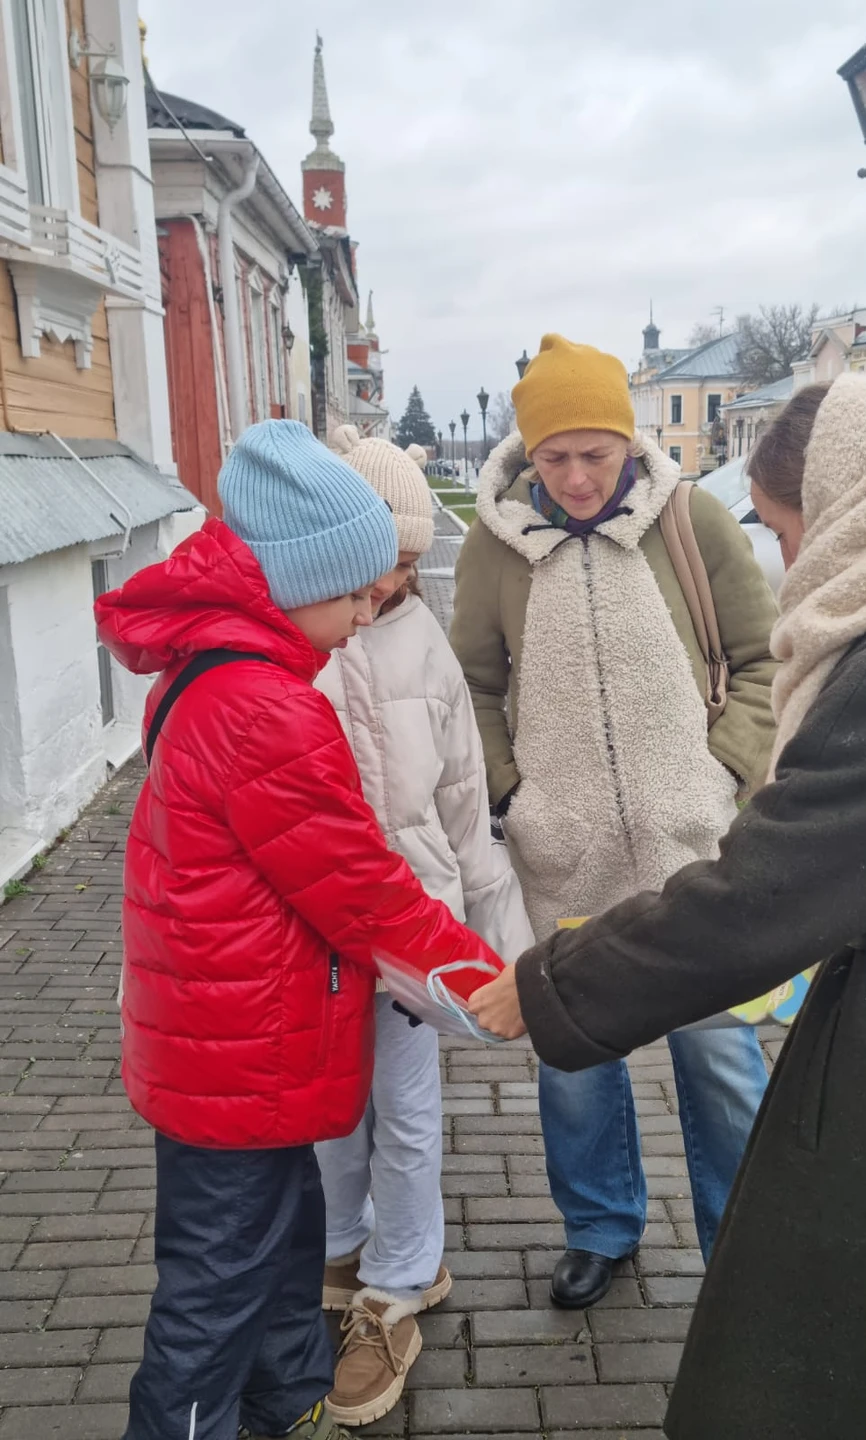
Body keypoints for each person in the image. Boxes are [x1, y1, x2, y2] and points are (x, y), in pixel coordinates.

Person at [469, 373, 866, 1440]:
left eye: (792, 533)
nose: (792, 562)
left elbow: (758, 900)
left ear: (853, 503)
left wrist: (556, 985)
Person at [94, 420, 504, 1440]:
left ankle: (288, 1407)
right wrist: (497, 987)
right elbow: (362, 890)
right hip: (240, 1055)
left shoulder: (215, 669)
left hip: (233, 1046)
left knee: (283, 1260)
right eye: (355, 591)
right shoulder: (266, 708)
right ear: (297, 579)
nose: (371, 611)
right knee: (214, 1299)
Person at [450, 334, 779, 1307]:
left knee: (720, 1062)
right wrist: (513, 796)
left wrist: (723, 770)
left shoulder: (690, 520)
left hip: (691, 854)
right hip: (564, 855)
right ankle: (598, 1225)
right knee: (575, 1063)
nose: (577, 477)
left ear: (628, 442)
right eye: (554, 457)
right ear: (530, 454)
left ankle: (745, 1247)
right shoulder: (496, 543)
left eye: (595, 453)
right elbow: (472, 684)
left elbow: (764, 657)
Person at [311, 431, 534, 1425]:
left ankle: (400, 1280)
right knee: (330, 1107)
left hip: (410, 927)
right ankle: (344, 1242)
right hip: (314, 932)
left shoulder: (426, 649)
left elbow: (463, 804)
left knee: (403, 1110)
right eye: (381, 561)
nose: (394, 582)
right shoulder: (296, 640)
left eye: (409, 563)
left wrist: (500, 946)